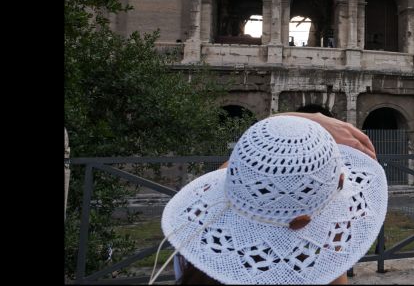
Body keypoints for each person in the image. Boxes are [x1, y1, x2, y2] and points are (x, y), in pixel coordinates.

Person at [150, 113, 387, 284]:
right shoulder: (318, 267)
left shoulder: (193, 250)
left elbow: (239, 168)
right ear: (302, 221)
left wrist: (302, 121)